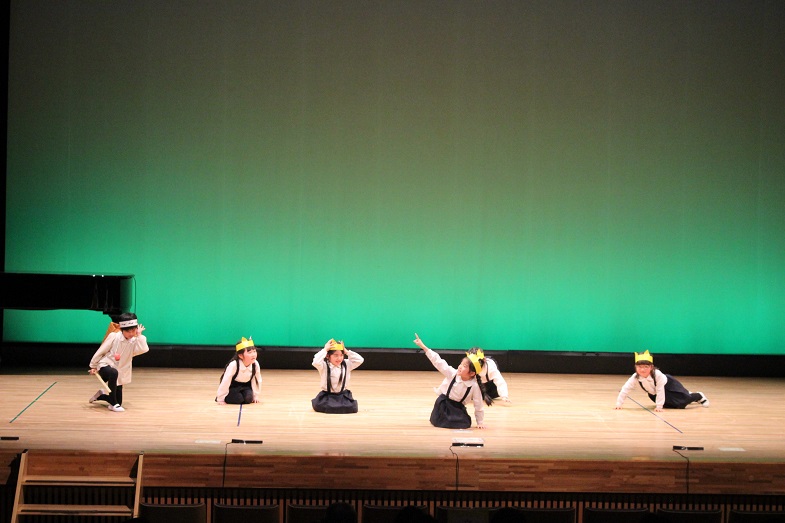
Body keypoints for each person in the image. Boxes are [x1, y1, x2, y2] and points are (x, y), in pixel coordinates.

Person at [413, 333, 491, 429]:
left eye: (465, 366)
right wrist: (423, 347)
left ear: (472, 373)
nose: (460, 367)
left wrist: (480, 422)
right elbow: (438, 362)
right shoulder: (452, 374)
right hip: (444, 405)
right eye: (461, 364)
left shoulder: (474, 386)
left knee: (465, 423)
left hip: (457, 408)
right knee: (444, 421)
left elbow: (478, 405)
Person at [88, 313, 149, 412]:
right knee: (113, 372)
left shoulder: (134, 341)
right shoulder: (114, 336)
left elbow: (143, 349)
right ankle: (113, 404)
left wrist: (139, 335)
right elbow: (101, 350)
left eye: (133, 330)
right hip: (105, 365)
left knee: (118, 402)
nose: (131, 333)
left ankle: (101, 396)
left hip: (120, 371)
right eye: (128, 331)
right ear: (122, 329)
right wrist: (93, 366)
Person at [615, 350, 710, 412]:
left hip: (669, 387)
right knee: (674, 405)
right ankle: (687, 394)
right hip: (654, 393)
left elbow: (660, 389)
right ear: (635, 367)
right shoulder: (635, 377)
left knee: (682, 402)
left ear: (651, 367)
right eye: (639, 367)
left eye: (646, 367)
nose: (642, 370)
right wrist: (619, 404)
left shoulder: (657, 374)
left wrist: (659, 406)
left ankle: (699, 396)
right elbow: (625, 389)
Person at [311, 339, 364, 414]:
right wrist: (325, 349)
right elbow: (315, 362)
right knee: (322, 406)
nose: (339, 358)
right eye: (336, 355)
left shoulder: (347, 364)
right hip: (327, 396)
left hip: (342, 395)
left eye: (341, 355)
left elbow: (360, 360)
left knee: (352, 407)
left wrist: (346, 351)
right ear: (328, 356)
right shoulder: (324, 366)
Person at [216, 337, 262, 404]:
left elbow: (257, 380)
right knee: (238, 399)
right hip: (233, 386)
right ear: (240, 355)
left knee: (248, 399)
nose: (253, 355)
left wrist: (256, 396)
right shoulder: (234, 365)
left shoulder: (255, 364)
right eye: (249, 352)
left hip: (246, 386)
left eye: (254, 351)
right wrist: (220, 398)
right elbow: (226, 381)